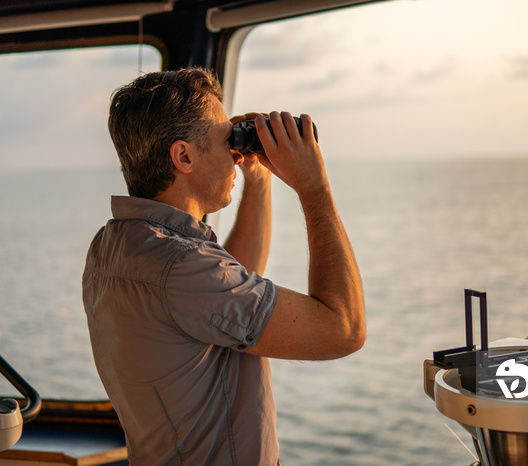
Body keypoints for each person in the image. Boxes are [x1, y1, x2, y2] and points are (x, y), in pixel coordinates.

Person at [82, 67, 365, 465]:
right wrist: (314, 187)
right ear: (183, 156)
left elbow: (227, 296)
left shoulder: (114, 245)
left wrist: (259, 179)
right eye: (225, 138)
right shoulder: (181, 266)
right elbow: (344, 330)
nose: (236, 151)